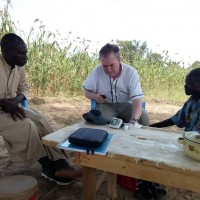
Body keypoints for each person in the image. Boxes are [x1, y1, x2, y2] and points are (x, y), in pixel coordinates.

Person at [0, 33, 82, 185]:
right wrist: (4, 103)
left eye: (26, 52)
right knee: (27, 126)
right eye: (21, 53)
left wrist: (15, 101)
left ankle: (61, 164)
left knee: (41, 120)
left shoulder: (18, 67)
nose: (26, 57)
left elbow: (24, 87)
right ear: (7, 52)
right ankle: (48, 168)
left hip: (13, 106)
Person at [83, 43, 149, 126]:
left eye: (111, 65)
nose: (108, 69)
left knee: (144, 118)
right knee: (98, 120)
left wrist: (134, 120)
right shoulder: (97, 71)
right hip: (106, 106)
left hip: (127, 106)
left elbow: (137, 99)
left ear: (119, 60)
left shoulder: (130, 72)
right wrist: (95, 96)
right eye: (105, 66)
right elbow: (86, 91)